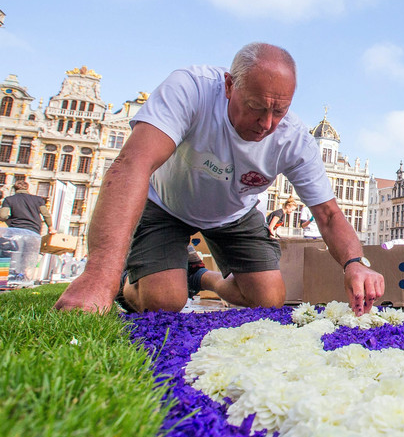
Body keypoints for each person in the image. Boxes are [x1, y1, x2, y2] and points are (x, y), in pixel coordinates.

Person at [55, 43, 384, 315]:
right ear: (229, 86)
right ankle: (128, 283)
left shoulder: (294, 139)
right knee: (164, 303)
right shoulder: (191, 89)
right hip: (165, 203)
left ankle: (199, 276)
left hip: (233, 213)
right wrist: (99, 276)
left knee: (267, 300)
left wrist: (355, 263)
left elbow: (327, 214)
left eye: (279, 111)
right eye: (256, 107)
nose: (267, 123)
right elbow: (132, 165)